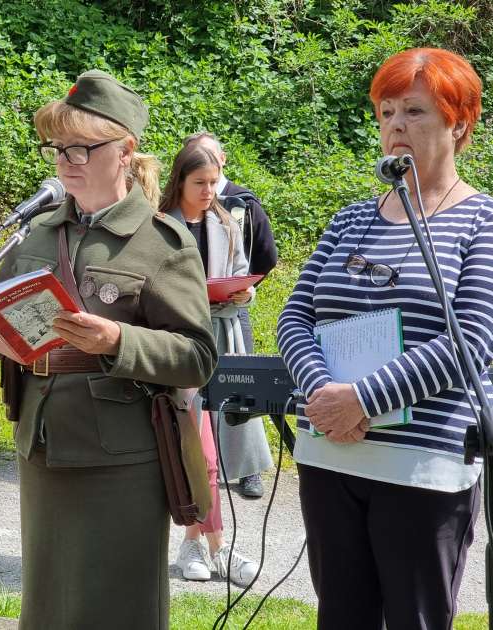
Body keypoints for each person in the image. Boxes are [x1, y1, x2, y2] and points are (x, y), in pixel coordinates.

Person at [0, 69, 217, 629]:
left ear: (125, 150)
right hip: (43, 443)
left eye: (82, 148)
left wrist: (119, 340)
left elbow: (197, 355)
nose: (67, 160)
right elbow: (22, 333)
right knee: (48, 606)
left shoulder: (161, 242)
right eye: (58, 147)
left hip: (121, 457)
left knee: (117, 608)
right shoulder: (39, 234)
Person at [277, 47, 488, 629]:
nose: (396, 126)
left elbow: (471, 341)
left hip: (422, 468)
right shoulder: (350, 220)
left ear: (459, 124)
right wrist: (325, 395)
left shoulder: (481, 222)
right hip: (330, 455)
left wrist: (363, 399)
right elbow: (294, 319)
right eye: (387, 112)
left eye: (415, 112)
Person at [160, 144, 259, 586]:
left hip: (223, 338)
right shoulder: (159, 226)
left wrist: (245, 293)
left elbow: (241, 270)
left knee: (218, 443)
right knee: (197, 449)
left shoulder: (225, 222)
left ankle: (201, 544)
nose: (208, 191)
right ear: (179, 181)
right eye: (199, 183)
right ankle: (208, 545)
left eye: (214, 182)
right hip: (180, 345)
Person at [183, 131, 276, 498]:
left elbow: (265, 255)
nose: (206, 187)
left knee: (241, 385)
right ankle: (198, 462)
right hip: (191, 315)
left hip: (231, 311)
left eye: (211, 157)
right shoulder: (173, 211)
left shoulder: (242, 203)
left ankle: (248, 469)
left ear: (222, 158)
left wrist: (244, 288)